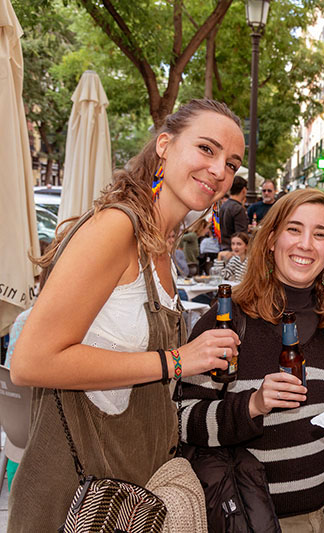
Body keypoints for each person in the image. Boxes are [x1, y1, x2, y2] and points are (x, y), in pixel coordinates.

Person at [8, 99, 244, 532]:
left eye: (231, 164)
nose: (218, 170)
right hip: (72, 502)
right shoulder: (116, 228)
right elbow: (30, 361)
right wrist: (178, 360)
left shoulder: (164, 246)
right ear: (165, 145)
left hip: (131, 502)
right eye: (206, 149)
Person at [180, 189, 324, 532]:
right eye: (294, 229)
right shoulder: (227, 320)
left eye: (320, 235)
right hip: (250, 519)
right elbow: (181, 421)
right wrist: (252, 405)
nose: (306, 244)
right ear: (271, 240)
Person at [220, 175, 249, 250]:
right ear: (244, 190)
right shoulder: (238, 209)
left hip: (223, 247)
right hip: (234, 250)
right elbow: (241, 235)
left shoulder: (223, 206)